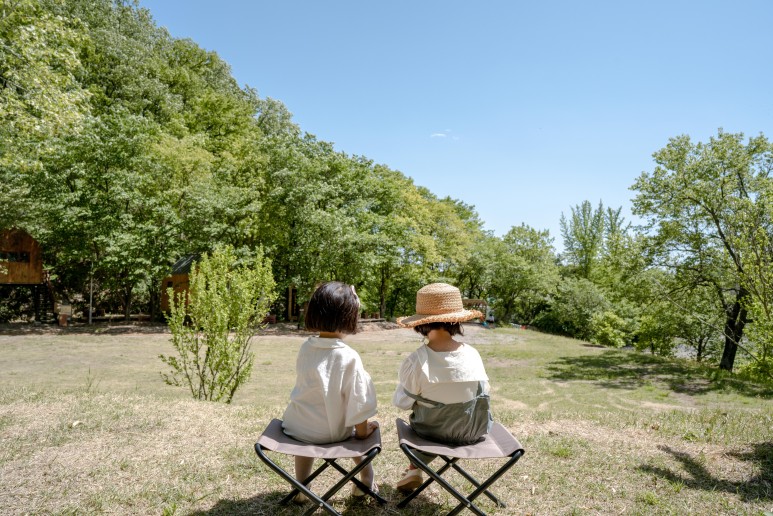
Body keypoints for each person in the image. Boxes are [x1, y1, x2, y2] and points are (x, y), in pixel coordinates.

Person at [282, 281, 379, 499]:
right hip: (331, 434)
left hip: (296, 428)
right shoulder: (348, 356)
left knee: (307, 437)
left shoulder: (306, 347)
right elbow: (359, 402)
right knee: (354, 436)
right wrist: (363, 433)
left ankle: (301, 486)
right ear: (348, 317)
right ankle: (366, 481)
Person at [392, 282, 492, 493]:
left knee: (429, 419)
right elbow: (485, 392)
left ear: (420, 324)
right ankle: (413, 469)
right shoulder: (473, 354)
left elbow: (401, 403)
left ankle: (414, 467)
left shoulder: (416, 360)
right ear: (456, 321)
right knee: (449, 417)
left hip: (431, 434)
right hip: (471, 430)